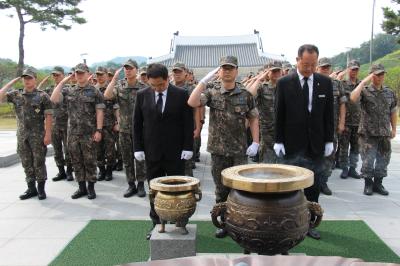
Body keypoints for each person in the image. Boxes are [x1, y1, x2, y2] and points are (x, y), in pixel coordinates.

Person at [188, 56, 260, 238]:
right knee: (221, 190)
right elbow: (192, 102)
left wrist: (256, 142)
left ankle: (240, 222)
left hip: (238, 151)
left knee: (240, 190)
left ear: (236, 71)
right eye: (223, 68)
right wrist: (203, 82)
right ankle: (224, 223)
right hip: (218, 151)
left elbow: (253, 117)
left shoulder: (245, 94)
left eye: (230, 68)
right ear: (219, 71)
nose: (227, 71)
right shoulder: (213, 92)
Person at [274, 44, 334, 240]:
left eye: (313, 64)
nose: (309, 68)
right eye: (306, 64)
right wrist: (278, 140)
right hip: (291, 143)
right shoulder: (284, 83)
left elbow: (328, 114)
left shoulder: (325, 82)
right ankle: (287, 223)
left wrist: (328, 140)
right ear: (297, 60)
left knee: (313, 186)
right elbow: (279, 114)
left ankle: (309, 224)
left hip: (315, 143)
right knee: (289, 187)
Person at [133, 63, 194, 240]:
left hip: (176, 152)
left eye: (160, 84)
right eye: (153, 85)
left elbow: (187, 123)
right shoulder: (142, 95)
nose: (157, 88)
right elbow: (137, 123)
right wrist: (137, 147)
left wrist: (188, 146)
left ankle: (180, 222)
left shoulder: (181, 94)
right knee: (154, 189)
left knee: (177, 189)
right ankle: (156, 223)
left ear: (167, 79)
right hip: (152, 151)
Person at [51, 63, 105, 200]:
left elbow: (99, 111)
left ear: (88, 74)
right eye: (77, 73)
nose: (79, 75)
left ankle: (91, 188)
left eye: (82, 73)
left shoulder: (95, 92)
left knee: (90, 161)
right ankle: (81, 188)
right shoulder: (69, 91)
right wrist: (63, 81)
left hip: (89, 133)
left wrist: (99, 130)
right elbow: (53, 99)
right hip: (73, 133)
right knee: (76, 161)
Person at [0, 67, 53, 200]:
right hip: (22, 136)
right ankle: (31, 188)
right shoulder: (16, 94)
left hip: (38, 135)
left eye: (29, 78)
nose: (27, 80)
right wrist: (12, 82)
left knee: (39, 162)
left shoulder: (42, 96)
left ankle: (41, 189)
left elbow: (49, 117)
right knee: (26, 162)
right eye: (25, 78)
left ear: (35, 79)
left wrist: (48, 134)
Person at [350, 64, 397, 196]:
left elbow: (393, 111)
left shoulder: (389, 92)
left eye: (382, 74)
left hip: (384, 133)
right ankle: (368, 184)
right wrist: (364, 82)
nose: (380, 77)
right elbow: (353, 99)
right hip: (367, 134)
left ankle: (378, 183)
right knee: (368, 161)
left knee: (384, 160)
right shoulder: (364, 90)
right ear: (372, 75)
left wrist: (393, 129)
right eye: (377, 74)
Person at [104, 59, 147, 198]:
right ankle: (131, 185)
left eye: (130, 68)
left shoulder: (144, 87)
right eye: (126, 68)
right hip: (124, 130)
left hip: (140, 130)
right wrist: (114, 79)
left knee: (140, 159)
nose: (128, 70)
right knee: (127, 159)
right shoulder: (119, 85)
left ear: (137, 70)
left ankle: (141, 184)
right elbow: (107, 95)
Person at [316, 58, 347, 195]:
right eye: (323, 67)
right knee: (314, 156)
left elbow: (342, 104)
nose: (325, 70)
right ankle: (313, 184)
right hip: (314, 128)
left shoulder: (336, 84)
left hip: (331, 127)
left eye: (327, 67)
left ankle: (323, 183)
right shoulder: (311, 83)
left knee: (329, 156)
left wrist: (341, 123)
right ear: (318, 68)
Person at [246, 60, 282, 163]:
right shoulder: (263, 87)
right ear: (268, 72)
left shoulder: (287, 86)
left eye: (277, 71)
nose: (276, 74)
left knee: (284, 169)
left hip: (283, 133)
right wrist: (259, 79)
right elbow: (248, 96)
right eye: (273, 71)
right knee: (267, 167)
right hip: (267, 134)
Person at [42, 66, 74, 182]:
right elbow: (39, 93)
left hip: (66, 124)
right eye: (54, 75)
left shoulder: (68, 89)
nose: (55, 77)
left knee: (68, 149)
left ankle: (70, 171)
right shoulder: (50, 89)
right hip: (54, 124)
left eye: (58, 75)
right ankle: (61, 171)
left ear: (63, 75)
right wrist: (43, 81)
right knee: (57, 150)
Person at [170, 62, 198, 176]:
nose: (177, 74)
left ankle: (189, 190)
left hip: (186, 130)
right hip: (170, 130)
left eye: (180, 71)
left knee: (186, 164)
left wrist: (197, 127)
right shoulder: (167, 87)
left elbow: (196, 109)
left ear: (185, 73)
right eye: (175, 71)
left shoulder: (191, 89)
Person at [338, 60, 362, 179]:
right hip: (346, 121)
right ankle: (344, 168)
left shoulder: (362, 85)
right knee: (344, 146)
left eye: (356, 69)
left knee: (356, 147)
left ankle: (353, 168)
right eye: (352, 69)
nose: (354, 71)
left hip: (358, 122)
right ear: (348, 70)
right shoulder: (342, 84)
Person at [95, 66, 117, 181]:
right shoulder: (93, 90)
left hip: (109, 125)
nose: (99, 77)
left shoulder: (112, 89)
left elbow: (116, 106)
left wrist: (117, 122)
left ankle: (109, 171)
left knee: (110, 150)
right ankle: (101, 170)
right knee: (98, 150)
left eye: (101, 75)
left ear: (106, 75)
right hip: (95, 125)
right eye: (97, 75)